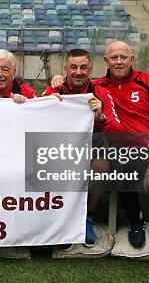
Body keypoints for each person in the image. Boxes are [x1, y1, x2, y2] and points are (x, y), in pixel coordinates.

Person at [51, 40, 149, 280]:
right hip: (124, 150)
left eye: (123, 57)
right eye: (114, 58)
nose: (119, 61)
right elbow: (72, 89)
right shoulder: (99, 86)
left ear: (132, 59)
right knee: (120, 163)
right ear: (105, 61)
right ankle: (136, 219)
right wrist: (58, 80)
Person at [42, 49, 124, 247]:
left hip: (90, 149)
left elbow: (117, 129)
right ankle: (60, 221)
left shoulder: (101, 93)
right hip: (58, 150)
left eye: (83, 67)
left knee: (102, 168)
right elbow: (36, 121)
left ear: (90, 69)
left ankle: (85, 217)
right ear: (66, 69)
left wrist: (101, 116)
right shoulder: (55, 90)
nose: (78, 72)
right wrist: (49, 106)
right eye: (73, 67)